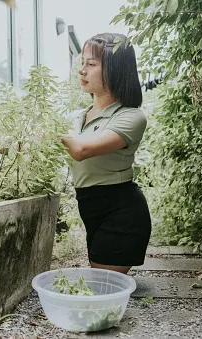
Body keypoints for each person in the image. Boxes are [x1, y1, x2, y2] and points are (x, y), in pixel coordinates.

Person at [58, 32, 151, 274]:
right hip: (90, 208)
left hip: (121, 211)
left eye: (91, 64)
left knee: (102, 287)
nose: (82, 71)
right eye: (82, 64)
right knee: (99, 284)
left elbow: (81, 150)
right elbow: (25, 146)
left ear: (115, 69)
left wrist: (51, 131)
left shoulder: (131, 116)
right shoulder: (75, 118)